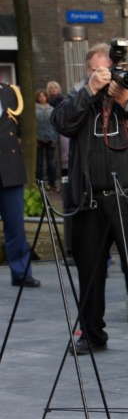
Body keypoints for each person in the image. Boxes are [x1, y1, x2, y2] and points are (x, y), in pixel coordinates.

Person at [50, 43, 128, 357]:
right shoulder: (80, 96)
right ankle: (91, 334)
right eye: (100, 70)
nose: (108, 76)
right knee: (90, 272)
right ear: (89, 72)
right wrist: (90, 91)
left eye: (112, 69)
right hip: (90, 199)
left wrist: (127, 101)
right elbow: (61, 123)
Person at [0, 82, 41, 288]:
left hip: (10, 168)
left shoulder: (10, 91)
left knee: (15, 225)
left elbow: (22, 126)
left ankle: (21, 272)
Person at [35, 89, 59, 192]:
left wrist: (54, 139)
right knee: (39, 164)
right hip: (39, 139)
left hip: (50, 139)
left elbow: (55, 125)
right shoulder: (34, 110)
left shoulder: (52, 109)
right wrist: (35, 140)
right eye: (40, 96)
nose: (42, 98)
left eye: (43, 96)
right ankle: (40, 185)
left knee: (51, 164)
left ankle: (52, 184)